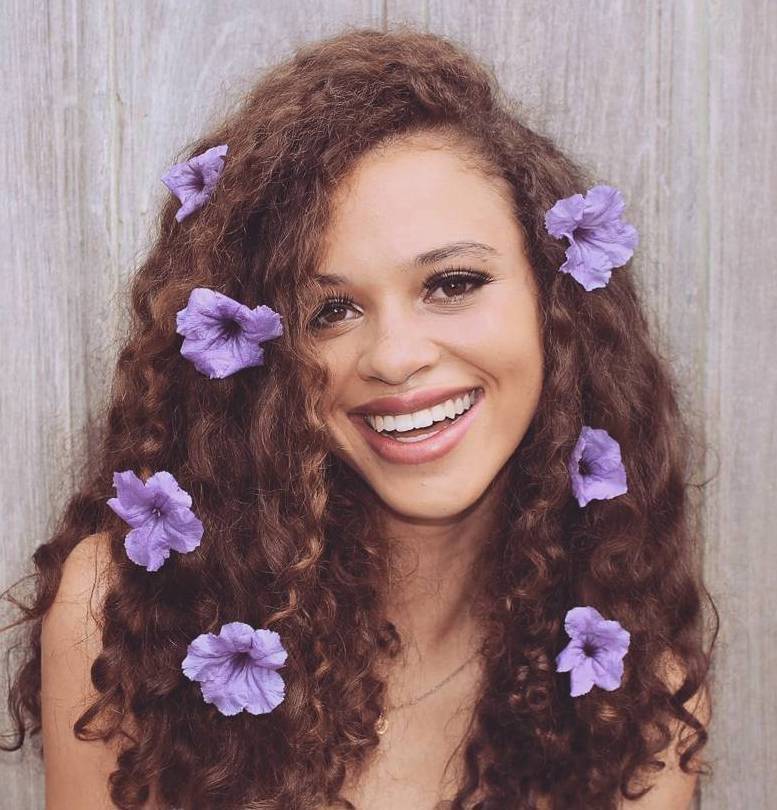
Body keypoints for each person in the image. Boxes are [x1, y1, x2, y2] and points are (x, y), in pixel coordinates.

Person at [1, 25, 715, 810]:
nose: (395, 356)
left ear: (555, 303)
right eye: (331, 309)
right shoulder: (126, 613)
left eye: (451, 282)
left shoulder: (640, 691)